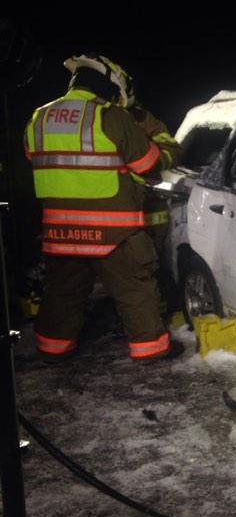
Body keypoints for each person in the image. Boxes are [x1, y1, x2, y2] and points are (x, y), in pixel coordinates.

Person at [23, 53, 182, 363]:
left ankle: (53, 349)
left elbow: (38, 161)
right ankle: (151, 349)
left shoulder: (38, 118)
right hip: (112, 232)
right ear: (110, 85)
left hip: (60, 230)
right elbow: (147, 163)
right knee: (136, 289)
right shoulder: (110, 116)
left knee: (61, 293)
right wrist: (164, 155)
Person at [126, 91, 181, 318]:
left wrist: (153, 160)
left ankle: (158, 314)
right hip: (121, 208)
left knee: (151, 264)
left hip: (147, 203)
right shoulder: (107, 119)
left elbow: (168, 148)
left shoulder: (140, 117)